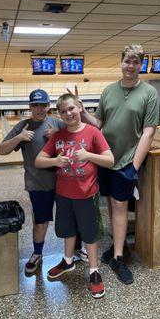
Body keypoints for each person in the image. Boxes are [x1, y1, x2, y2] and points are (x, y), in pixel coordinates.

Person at [70, 45, 160, 285]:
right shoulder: (109, 91)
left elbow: (148, 133)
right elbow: (99, 122)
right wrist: (82, 112)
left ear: (140, 65)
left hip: (126, 161)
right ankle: (117, 245)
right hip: (105, 158)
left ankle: (118, 258)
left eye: (135, 62)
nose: (130, 66)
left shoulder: (149, 93)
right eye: (126, 61)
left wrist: (134, 166)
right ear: (120, 62)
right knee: (111, 204)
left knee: (120, 206)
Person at [35, 93, 114, 299]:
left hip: (87, 194)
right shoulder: (58, 136)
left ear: (79, 107)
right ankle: (68, 262)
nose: (68, 113)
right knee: (68, 231)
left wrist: (88, 156)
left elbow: (110, 160)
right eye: (63, 111)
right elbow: (39, 161)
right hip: (63, 195)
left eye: (71, 108)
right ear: (59, 115)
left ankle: (94, 272)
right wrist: (55, 162)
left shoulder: (93, 132)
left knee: (90, 234)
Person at [0, 89, 64, 275]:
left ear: (48, 106)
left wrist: (58, 135)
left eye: (43, 105)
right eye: (35, 105)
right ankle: (37, 253)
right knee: (40, 222)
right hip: (38, 184)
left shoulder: (57, 123)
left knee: (70, 218)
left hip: (64, 182)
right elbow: (2, 150)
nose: (40, 109)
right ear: (30, 107)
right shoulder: (23, 126)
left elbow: (77, 138)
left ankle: (74, 250)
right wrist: (19, 137)